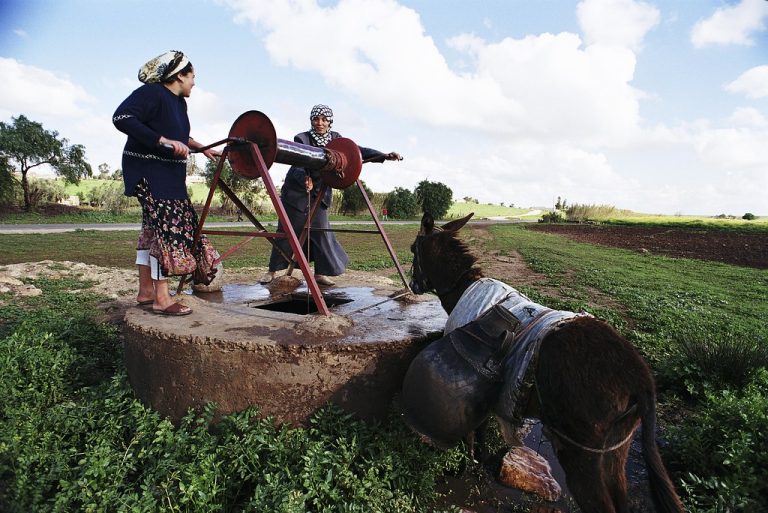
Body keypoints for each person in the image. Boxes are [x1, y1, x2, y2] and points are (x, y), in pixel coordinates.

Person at [113, 50, 221, 316]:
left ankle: (146, 292)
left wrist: (201, 147)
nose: (194, 82)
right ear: (179, 76)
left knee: (151, 232)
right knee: (167, 232)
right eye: (192, 77)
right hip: (150, 172)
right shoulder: (152, 93)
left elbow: (179, 137)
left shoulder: (179, 103)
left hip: (169, 175)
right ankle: (162, 298)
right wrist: (160, 141)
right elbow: (122, 118)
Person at [261, 104, 401, 286]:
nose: (320, 123)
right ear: (311, 121)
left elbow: (357, 152)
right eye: (316, 119)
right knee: (287, 231)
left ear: (330, 122)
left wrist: (383, 155)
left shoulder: (336, 140)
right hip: (297, 192)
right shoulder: (302, 138)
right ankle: (271, 271)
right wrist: (305, 178)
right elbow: (296, 164)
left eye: (324, 119)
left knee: (321, 233)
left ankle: (319, 273)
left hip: (320, 194)